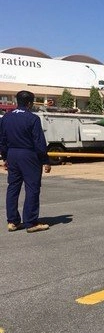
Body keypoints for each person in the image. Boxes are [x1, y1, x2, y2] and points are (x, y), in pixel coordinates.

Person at [0, 90, 51, 233]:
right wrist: (45, 160)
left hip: (12, 154)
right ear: (30, 103)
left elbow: (2, 140)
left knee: (13, 188)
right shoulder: (32, 118)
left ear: (17, 101)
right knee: (32, 188)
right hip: (29, 155)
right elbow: (39, 142)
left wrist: (5, 157)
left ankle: (12, 221)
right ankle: (31, 222)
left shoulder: (6, 118)